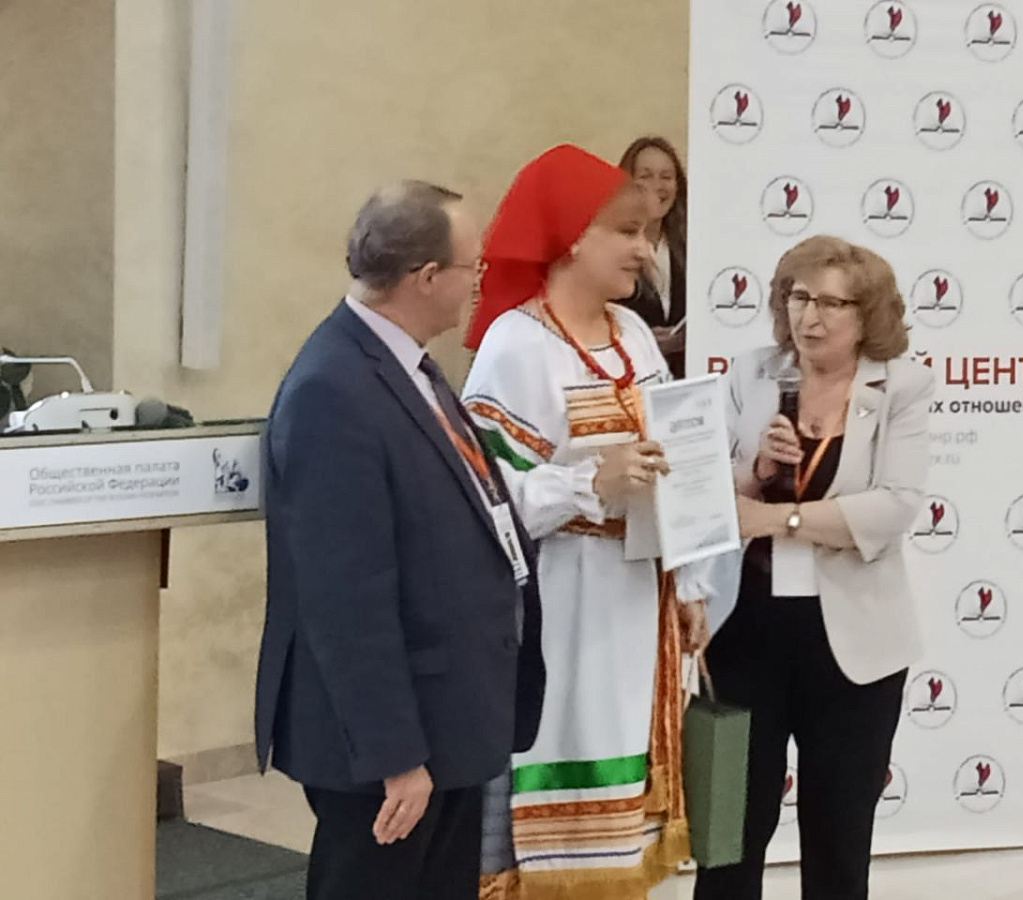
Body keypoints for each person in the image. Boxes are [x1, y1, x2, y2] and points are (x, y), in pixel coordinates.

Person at [254, 183, 545, 900]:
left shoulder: (407, 364)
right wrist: (395, 755)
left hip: (448, 715)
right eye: (473, 267)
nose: (480, 284)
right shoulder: (332, 389)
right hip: (391, 743)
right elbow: (344, 596)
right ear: (426, 277)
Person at [462, 144, 710, 900]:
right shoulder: (516, 344)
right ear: (572, 238)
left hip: (639, 604)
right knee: (556, 780)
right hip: (560, 609)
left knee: (627, 818)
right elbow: (483, 499)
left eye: (646, 233)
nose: (645, 249)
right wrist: (587, 484)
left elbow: (679, 465)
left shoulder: (633, 336)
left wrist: (690, 579)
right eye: (626, 232)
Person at [693, 236, 934, 900]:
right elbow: (706, 490)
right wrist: (757, 468)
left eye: (832, 303)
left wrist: (779, 520)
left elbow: (893, 506)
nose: (811, 317)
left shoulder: (902, 386)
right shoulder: (751, 373)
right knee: (727, 833)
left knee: (838, 835)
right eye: (799, 297)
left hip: (853, 644)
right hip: (745, 632)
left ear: (867, 314)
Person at [614, 136, 688, 379]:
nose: (657, 185)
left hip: (684, 383)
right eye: (645, 176)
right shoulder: (609, 249)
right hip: (628, 382)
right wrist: (644, 342)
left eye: (666, 177)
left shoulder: (690, 247)